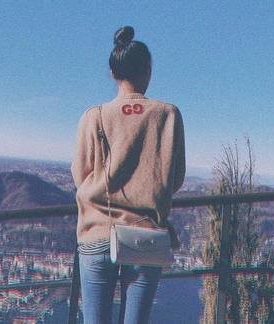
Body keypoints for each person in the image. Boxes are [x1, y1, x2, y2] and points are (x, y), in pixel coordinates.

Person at [71, 25, 186, 324]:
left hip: (97, 230)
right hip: (146, 234)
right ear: (148, 70)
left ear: (113, 73)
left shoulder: (94, 116)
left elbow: (80, 175)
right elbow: (175, 178)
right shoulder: (168, 115)